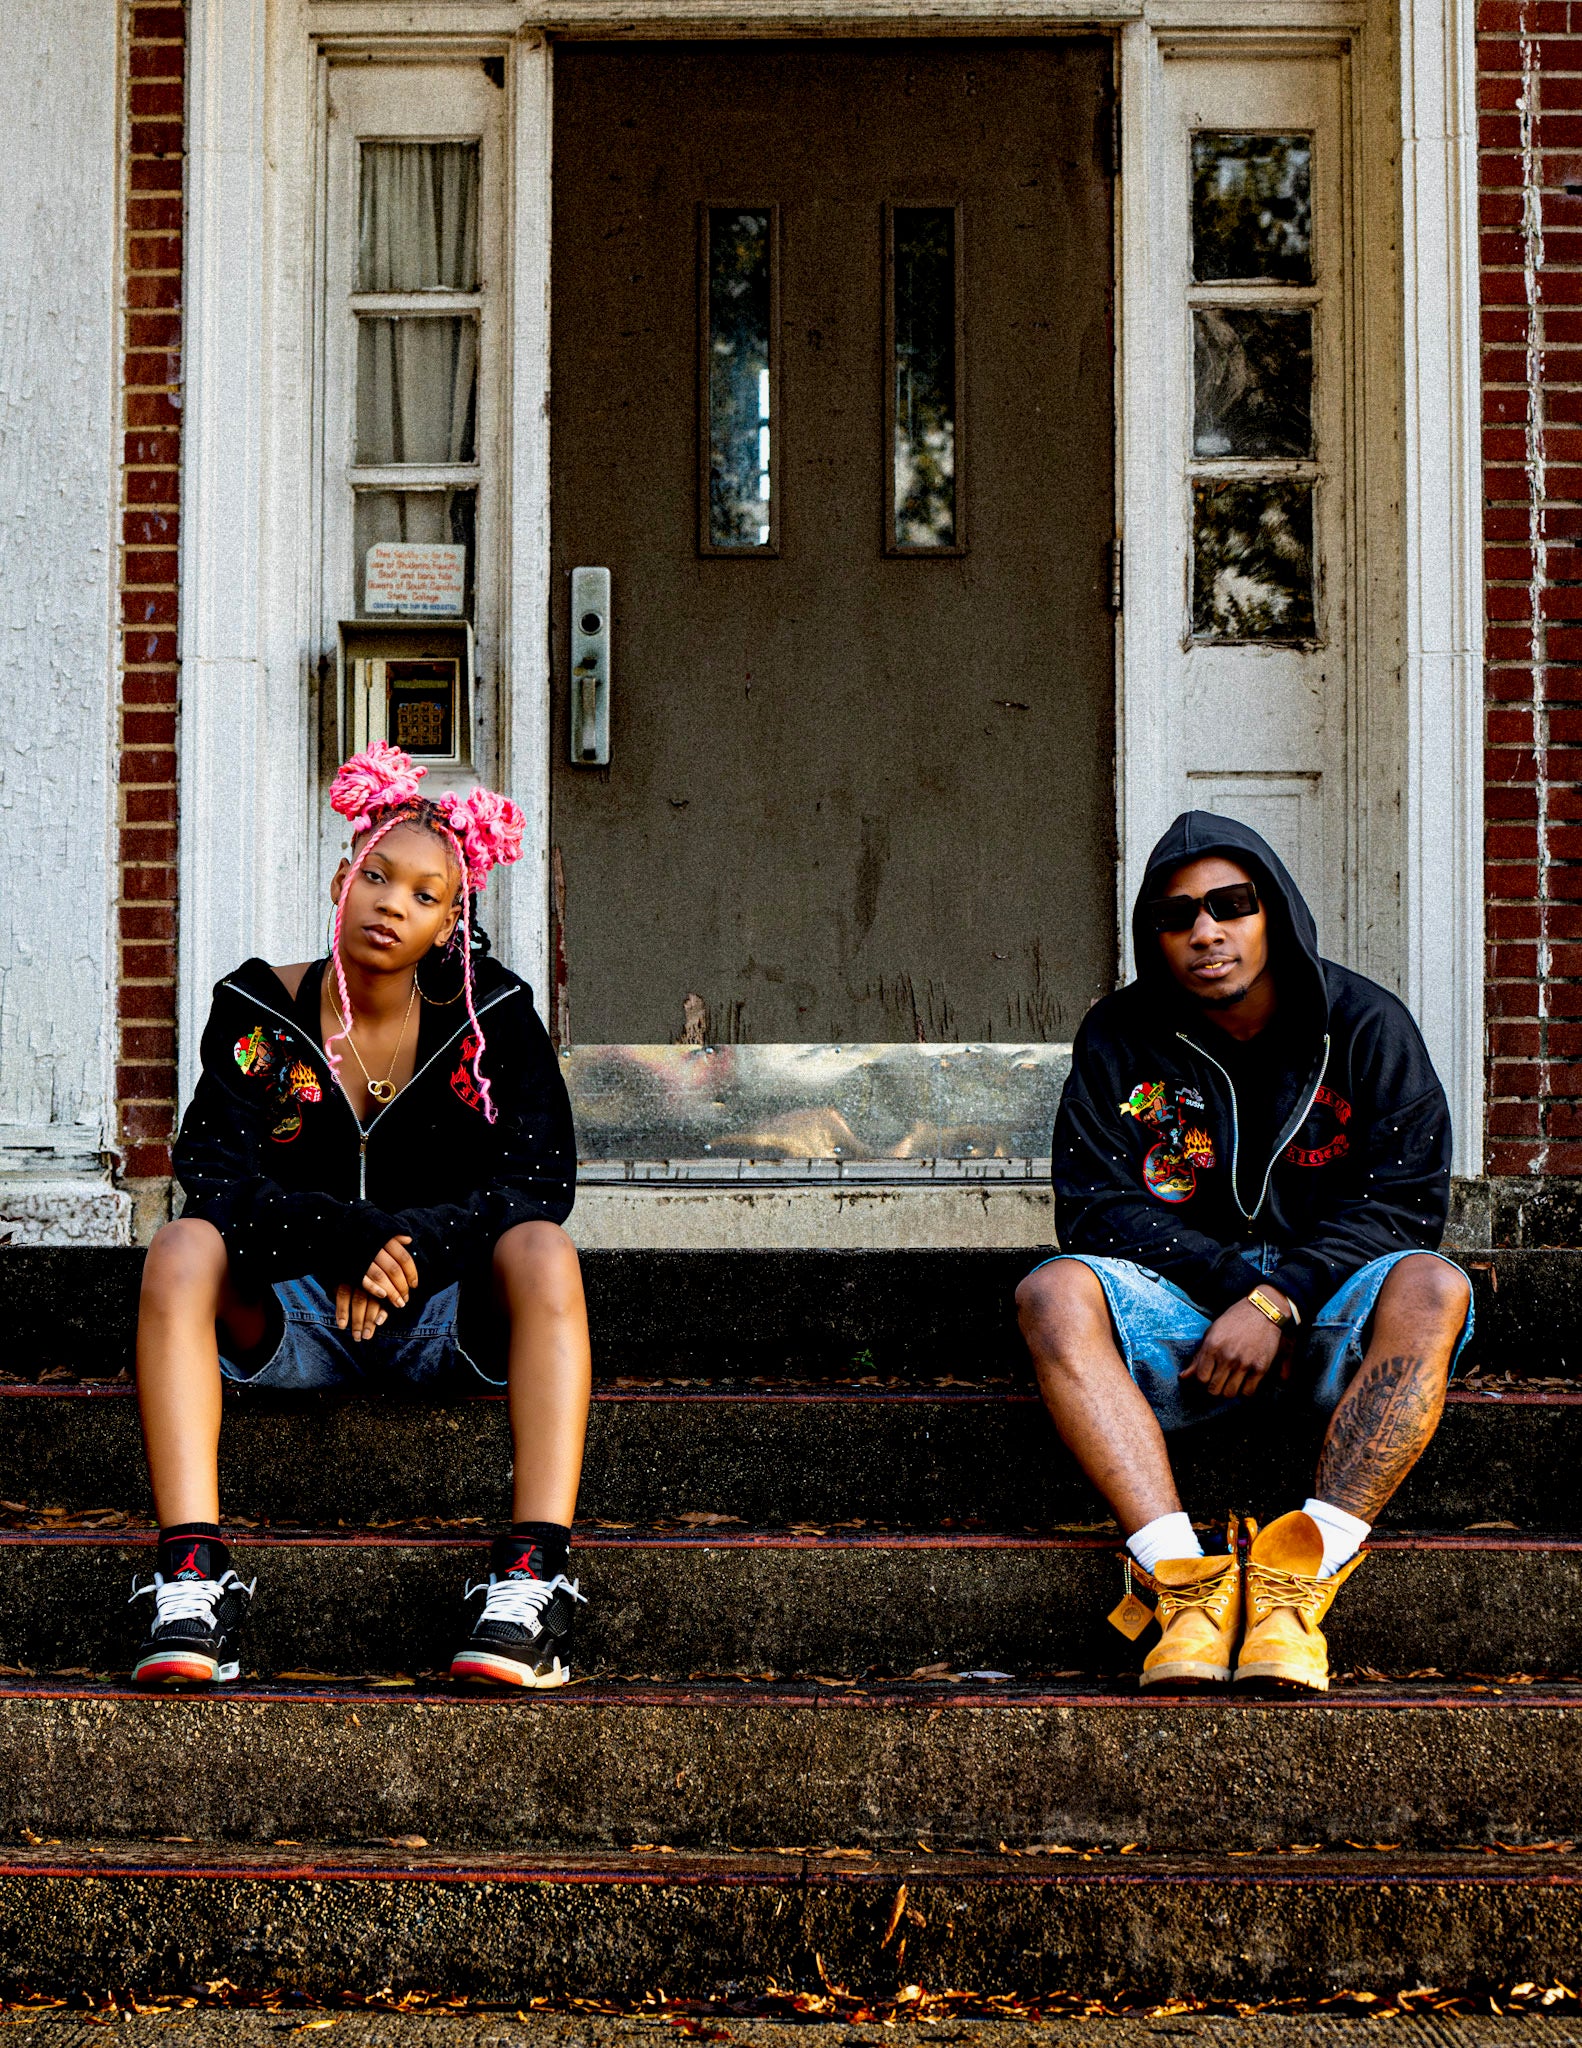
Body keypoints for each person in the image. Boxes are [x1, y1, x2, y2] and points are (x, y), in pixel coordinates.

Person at [130, 741, 588, 1690]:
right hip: (291, 1309)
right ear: (342, 876)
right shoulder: (258, 1010)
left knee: (545, 1251)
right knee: (179, 1247)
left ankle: (531, 1579)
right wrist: (340, 1234)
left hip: (444, 1310)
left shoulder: (496, 1017)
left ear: (451, 921)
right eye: (377, 876)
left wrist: (406, 1246)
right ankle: (191, 1578)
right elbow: (212, 1173)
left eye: (424, 894)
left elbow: (538, 1179)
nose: (391, 904)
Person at [1016, 812, 1472, 1692]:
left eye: (1232, 905)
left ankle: (1300, 1579)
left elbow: (1406, 1203)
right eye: (1177, 915)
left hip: (1333, 1312)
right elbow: (1096, 1206)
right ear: (1154, 935)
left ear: (1276, 912)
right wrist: (1236, 1289)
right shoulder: (1119, 1035)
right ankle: (1182, 1582)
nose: (1206, 932)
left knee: (1431, 1285)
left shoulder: (1365, 1025)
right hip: (1186, 1324)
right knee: (1053, 1292)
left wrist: (1280, 1298)